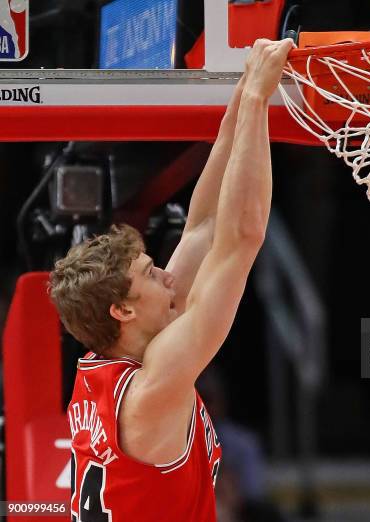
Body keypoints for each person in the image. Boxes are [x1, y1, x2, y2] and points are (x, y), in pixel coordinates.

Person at [48, 38, 295, 522]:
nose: (166, 272)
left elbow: (202, 227)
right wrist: (256, 103)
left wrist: (244, 94)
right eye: (149, 273)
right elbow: (241, 237)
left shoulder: (109, 364)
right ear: (123, 309)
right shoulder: (151, 390)